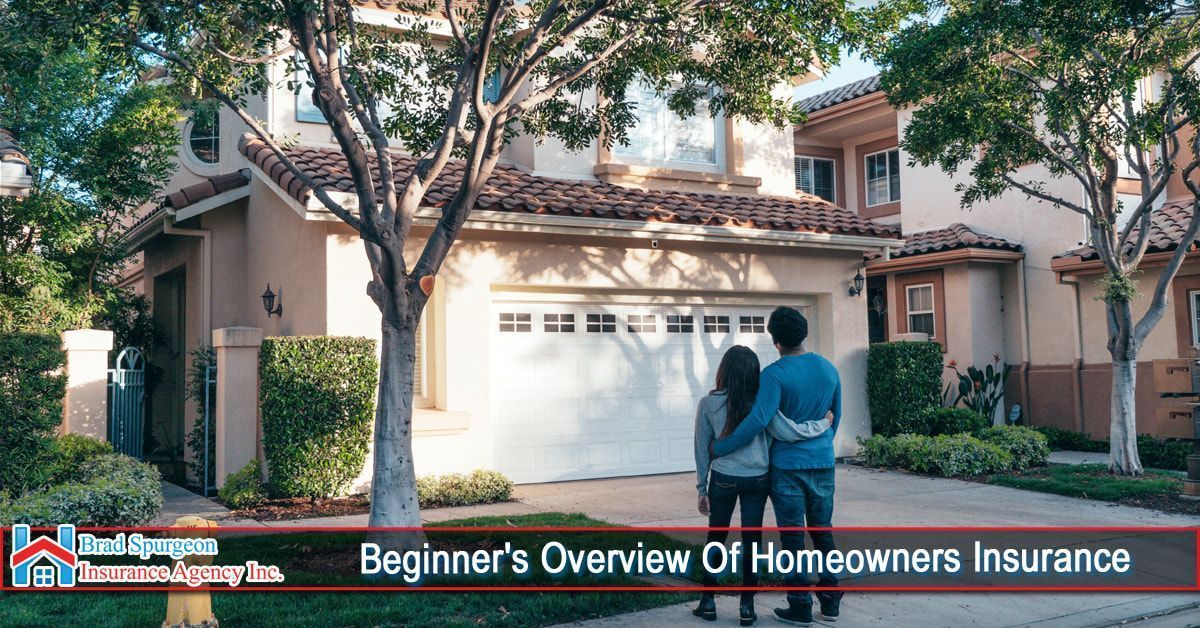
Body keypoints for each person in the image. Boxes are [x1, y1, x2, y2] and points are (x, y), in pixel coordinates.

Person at [712, 307, 842, 626]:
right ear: (804, 334)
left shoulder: (773, 374)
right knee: (823, 532)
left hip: (787, 468)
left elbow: (758, 420)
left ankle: (799, 606)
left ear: (775, 340)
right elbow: (834, 418)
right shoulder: (829, 369)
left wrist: (721, 447)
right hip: (823, 463)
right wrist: (820, 447)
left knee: (793, 537)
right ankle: (830, 601)